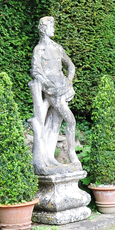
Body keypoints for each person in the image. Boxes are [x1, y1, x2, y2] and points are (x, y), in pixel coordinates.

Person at [28, 16, 81, 174]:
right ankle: (72, 155)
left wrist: (69, 82)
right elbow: (35, 71)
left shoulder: (58, 47)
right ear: (44, 29)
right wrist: (46, 83)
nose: (54, 29)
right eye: (52, 26)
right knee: (70, 120)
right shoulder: (39, 49)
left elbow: (71, 66)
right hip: (52, 92)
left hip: (63, 89)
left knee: (55, 124)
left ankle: (49, 157)